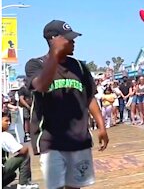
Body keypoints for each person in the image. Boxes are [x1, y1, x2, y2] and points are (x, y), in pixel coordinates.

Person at [25, 20, 108, 189]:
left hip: (79, 139)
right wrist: (55, 55)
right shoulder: (36, 64)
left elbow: (89, 97)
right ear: (53, 40)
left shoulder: (79, 66)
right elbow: (42, 85)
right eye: (69, 39)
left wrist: (102, 126)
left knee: (75, 186)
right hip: (51, 141)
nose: (73, 42)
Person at [2, 112, 39, 189]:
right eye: (6, 121)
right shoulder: (4, 135)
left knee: (12, 175)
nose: (9, 123)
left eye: (9, 121)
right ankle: (24, 183)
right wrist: (26, 146)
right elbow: (21, 150)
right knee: (25, 154)